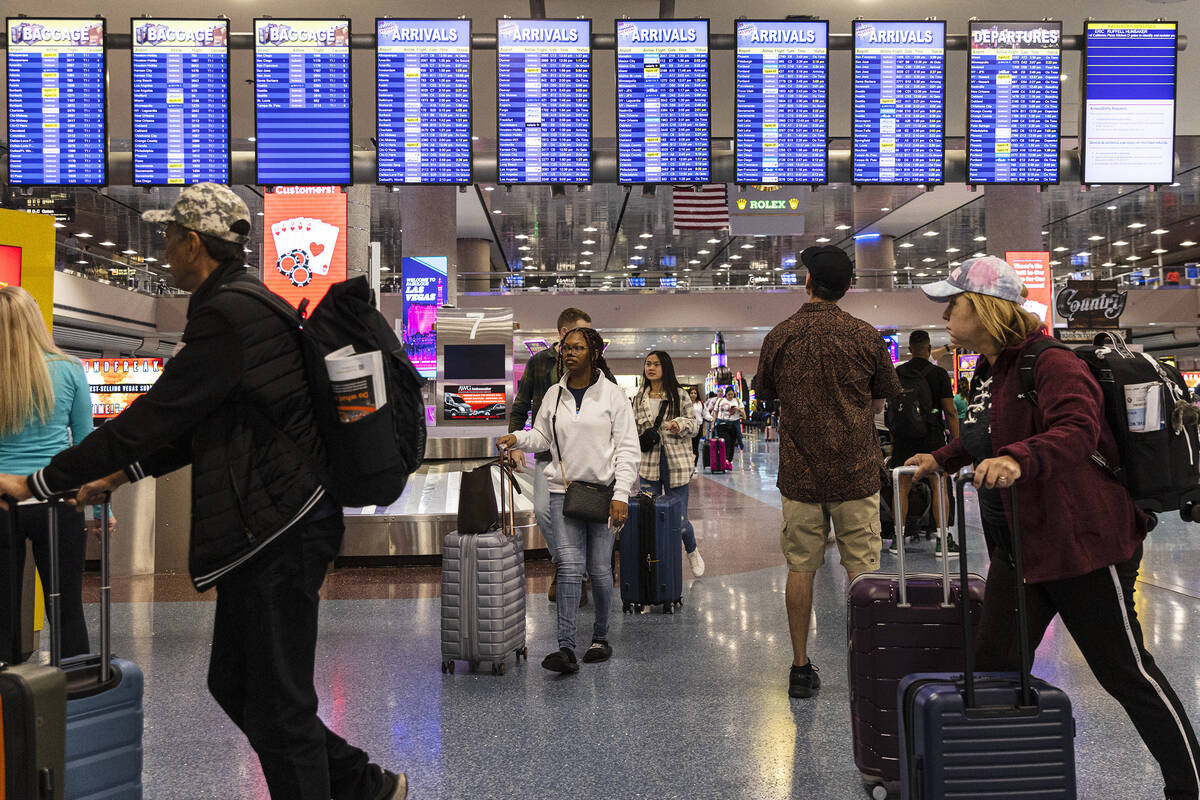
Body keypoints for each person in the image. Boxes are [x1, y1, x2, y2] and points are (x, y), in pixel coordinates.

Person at [0, 184, 408, 800]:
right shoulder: (246, 304)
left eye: (168, 238)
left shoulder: (230, 317)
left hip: (280, 529)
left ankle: (358, 787)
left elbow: (156, 415)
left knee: (277, 703)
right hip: (276, 525)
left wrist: (40, 481)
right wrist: (118, 475)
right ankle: (362, 785)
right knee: (235, 683)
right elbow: (206, 425)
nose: (164, 251)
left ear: (193, 243)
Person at [907, 255, 1200, 800]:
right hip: (1024, 547)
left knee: (1126, 673)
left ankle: (1192, 785)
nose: (945, 314)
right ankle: (997, 783)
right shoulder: (996, 369)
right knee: (995, 670)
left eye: (956, 303)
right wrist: (942, 457)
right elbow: (988, 433)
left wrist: (1020, 459)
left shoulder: (1052, 362)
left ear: (989, 309)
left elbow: (1077, 430)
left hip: (1083, 544)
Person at [755, 244, 902, 700]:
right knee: (865, 571)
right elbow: (881, 401)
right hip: (857, 472)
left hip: (800, 474)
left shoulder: (780, 336)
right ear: (849, 287)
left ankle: (800, 667)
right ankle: (870, 664)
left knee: (801, 568)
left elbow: (765, 396)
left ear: (808, 283)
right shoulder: (865, 336)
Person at [497, 327, 639, 674]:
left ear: (593, 352)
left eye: (577, 347)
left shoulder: (612, 395)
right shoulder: (554, 395)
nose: (568, 353)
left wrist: (621, 493)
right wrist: (517, 437)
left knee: (600, 571)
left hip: (604, 495)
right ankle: (565, 646)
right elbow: (542, 436)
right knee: (569, 567)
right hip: (564, 492)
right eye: (565, 348)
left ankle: (600, 637)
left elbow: (627, 449)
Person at [0, 286, 95, 661]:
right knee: (66, 605)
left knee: (1, 605)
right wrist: (101, 509)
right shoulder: (70, 369)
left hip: (4, 501)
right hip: (59, 500)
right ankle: (76, 685)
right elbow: (87, 447)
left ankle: (6, 695)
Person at [508, 307, 614, 604]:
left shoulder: (597, 365)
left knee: (586, 513)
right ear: (564, 333)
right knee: (543, 510)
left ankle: (576, 571)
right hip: (548, 454)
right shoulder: (539, 363)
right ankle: (567, 564)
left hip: (587, 457)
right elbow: (521, 406)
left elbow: (614, 400)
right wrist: (516, 443)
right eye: (582, 334)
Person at [887, 329, 961, 556]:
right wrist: (957, 443)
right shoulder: (938, 374)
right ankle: (942, 540)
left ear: (910, 350)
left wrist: (894, 439)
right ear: (929, 349)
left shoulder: (898, 373)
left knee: (901, 487)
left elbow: (892, 411)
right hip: (932, 438)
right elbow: (949, 411)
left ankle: (897, 540)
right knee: (939, 484)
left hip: (903, 439)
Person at [633, 352, 704, 577]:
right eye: (648, 364)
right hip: (648, 464)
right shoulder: (638, 398)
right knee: (649, 518)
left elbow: (694, 426)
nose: (651, 368)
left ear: (666, 367)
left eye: (656, 364)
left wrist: (679, 423)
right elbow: (632, 430)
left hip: (676, 463)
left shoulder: (680, 395)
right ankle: (657, 566)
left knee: (679, 519)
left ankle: (691, 549)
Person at [713, 387, 746, 459]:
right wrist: (713, 423)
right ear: (726, 394)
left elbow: (743, 413)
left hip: (734, 424)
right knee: (726, 441)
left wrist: (737, 409)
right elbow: (715, 412)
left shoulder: (737, 401)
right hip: (722, 424)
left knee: (732, 443)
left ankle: (729, 459)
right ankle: (725, 459)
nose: (730, 396)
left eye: (732, 394)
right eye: (729, 394)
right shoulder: (720, 400)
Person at [688, 386, 707, 466]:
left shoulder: (701, 403)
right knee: (688, 447)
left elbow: (705, 414)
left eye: (695, 393)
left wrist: (711, 418)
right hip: (687, 428)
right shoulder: (685, 403)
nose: (693, 395)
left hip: (698, 427)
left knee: (695, 447)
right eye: (691, 393)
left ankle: (694, 465)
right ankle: (688, 465)